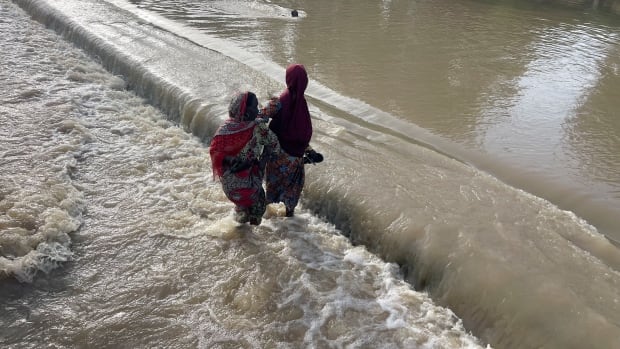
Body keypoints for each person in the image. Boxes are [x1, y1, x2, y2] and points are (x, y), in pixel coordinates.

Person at [209, 91, 280, 225]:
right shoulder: (258, 128)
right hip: (250, 185)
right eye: (254, 107)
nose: (257, 109)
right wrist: (262, 162)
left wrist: (230, 160)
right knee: (258, 207)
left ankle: (240, 226)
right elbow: (274, 144)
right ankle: (251, 239)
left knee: (242, 209)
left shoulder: (225, 129)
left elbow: (214, 151)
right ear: (245, 111)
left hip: (230, 188)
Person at [265, 64, 322, 217]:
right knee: (292, 192)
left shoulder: (281, 102)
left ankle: (264, 220)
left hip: (279, 157)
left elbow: (258, 117)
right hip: (292, 159)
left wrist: (310, 151)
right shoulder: (293, 104)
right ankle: (290, 224)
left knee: (272, 189)